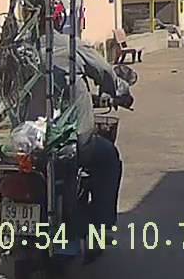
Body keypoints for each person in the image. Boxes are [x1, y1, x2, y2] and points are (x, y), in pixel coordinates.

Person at [28, 33, 133, 264]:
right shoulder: (71, 46)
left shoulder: (20, 50)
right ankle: (99, 229)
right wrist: (122, 91)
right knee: (108, 158)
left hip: (29, 141)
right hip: (71, 141)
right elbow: (105, 73)